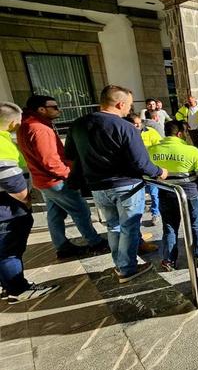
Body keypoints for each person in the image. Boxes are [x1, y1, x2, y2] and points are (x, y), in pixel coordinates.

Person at [66, 85, 168, 283]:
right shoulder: (125, 127)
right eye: (129, 105)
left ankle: (120, 263)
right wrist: (160, 172)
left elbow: (70, 154)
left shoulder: (78, 124)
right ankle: (127, 268)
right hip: (126, 186)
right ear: (120, 103)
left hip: (98, 187)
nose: (129, 110)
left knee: (112, 226)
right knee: (129, 227)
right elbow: (140, 162)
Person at [17, 95, 109, 259]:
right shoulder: (39, 129)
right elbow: (50, 161)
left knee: (55, 214)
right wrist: (69, 176)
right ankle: (96, 243)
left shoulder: (27, 125)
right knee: (80, 210)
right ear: (41, 109)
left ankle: (62, 246)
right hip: (55, 180)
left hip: (43, 180)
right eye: (55, 107)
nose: (59, 109)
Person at [0, 102, 59, 303]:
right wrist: (26, 201)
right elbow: (11, 181)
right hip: (6, 209)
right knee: (9, 252)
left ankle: (6, 284)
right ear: (12, 122)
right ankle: (17, 289)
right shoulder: (2, 144)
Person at [149, 120, 198, 271]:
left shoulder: (152, 150)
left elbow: (148, 172)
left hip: (166, 194)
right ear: (180, 133)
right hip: (190, 193)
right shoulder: (192, 151)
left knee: (169, 227)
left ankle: (168, 260)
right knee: (196, 224)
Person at [125, 113, 163, 228]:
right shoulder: (127, 134)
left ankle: (155, 213)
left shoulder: (150, 132)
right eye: (134, 124)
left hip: (150, 167)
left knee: (154, 192)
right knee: (138, 195)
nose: (137, 126)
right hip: (134, 170)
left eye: (138, 123)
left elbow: (159, 146)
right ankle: (138, 216)